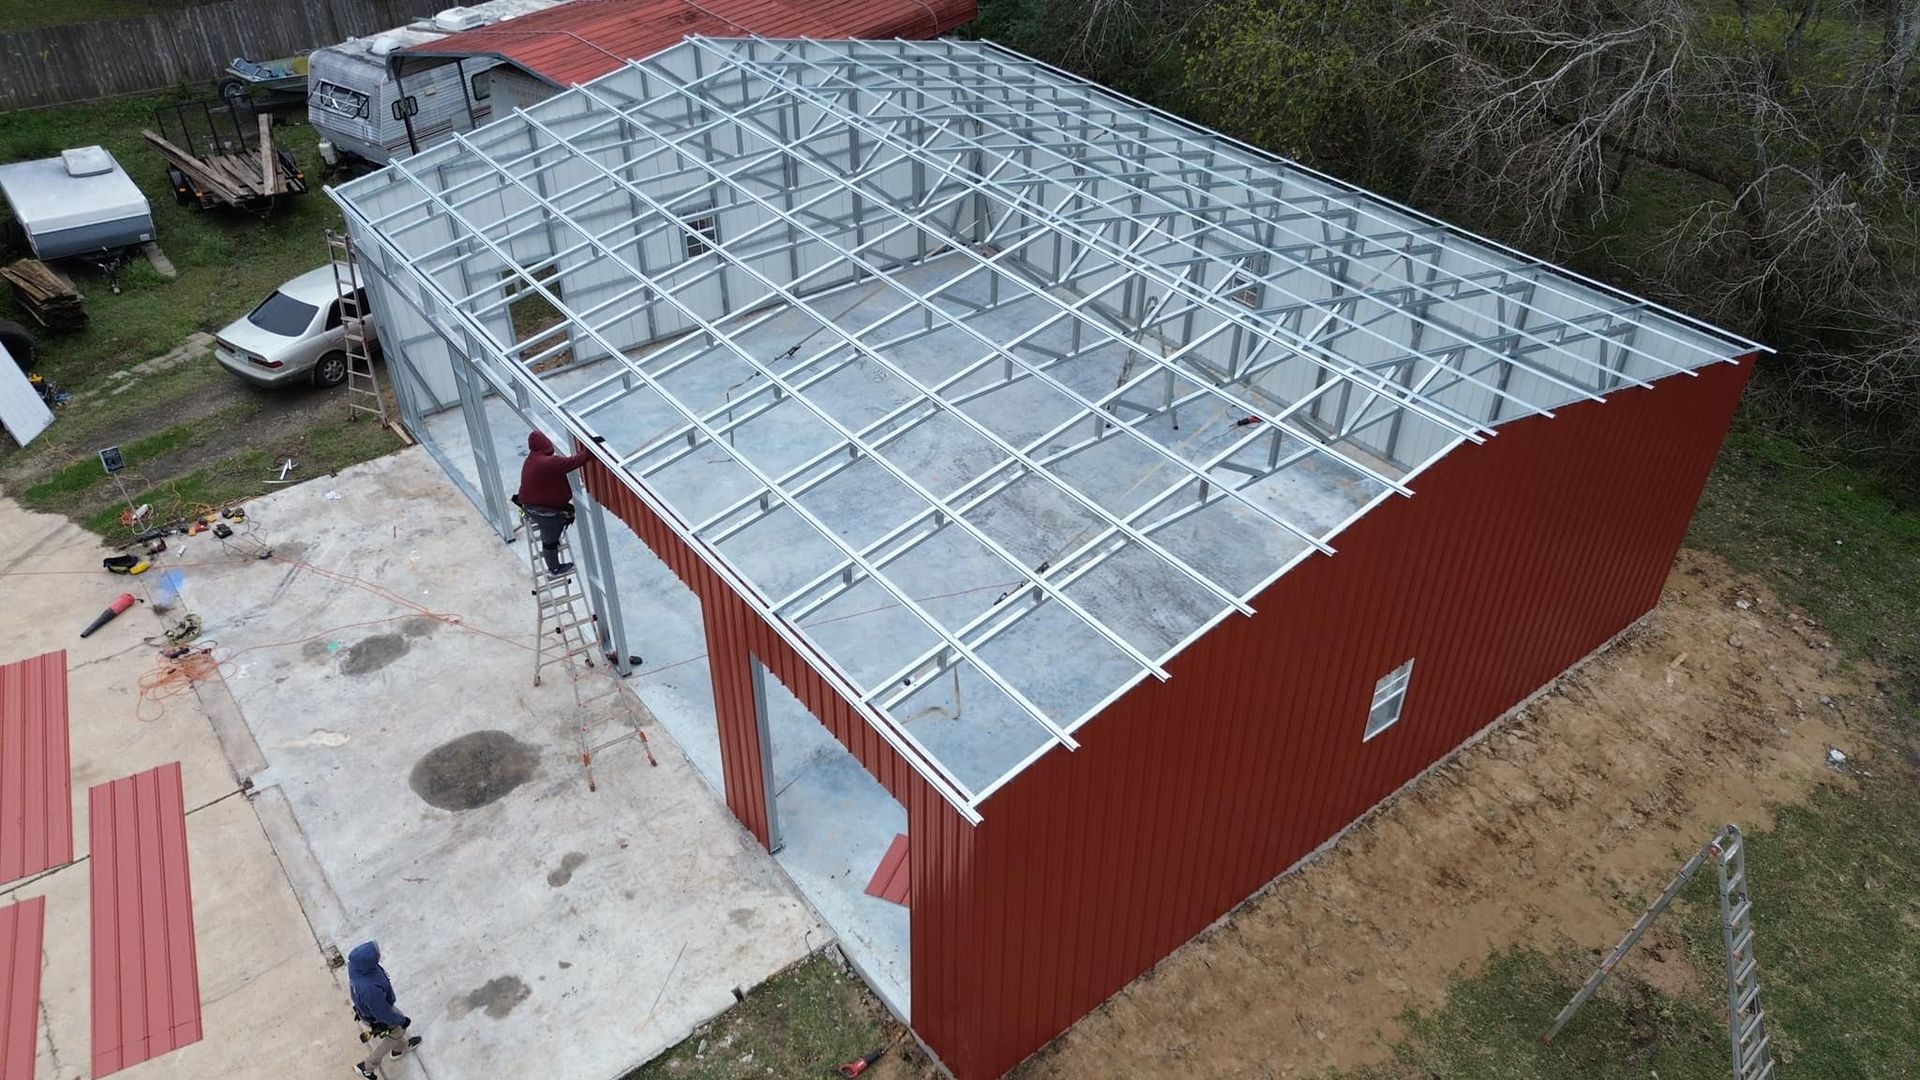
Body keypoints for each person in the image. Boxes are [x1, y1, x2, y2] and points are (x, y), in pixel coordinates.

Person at [518, 430, 592, 577]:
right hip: (545, 513)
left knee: (564, 515)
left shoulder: (531, 458)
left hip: (529, 506)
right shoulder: (549, 462)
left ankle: (553, 562)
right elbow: (575, 461)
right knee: (550, 540)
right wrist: (591, 449)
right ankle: (554, 568)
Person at [348, 941, 420, 1078]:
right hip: (377, 1015)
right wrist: (402, 1020)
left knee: (397, 1029)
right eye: (377, 954)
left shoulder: (355, 966)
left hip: (373, 1008)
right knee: (396, 1032)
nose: (380, 955)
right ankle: (366, 1066)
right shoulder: (370, 990)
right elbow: (383, 1013)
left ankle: (399, 1049)